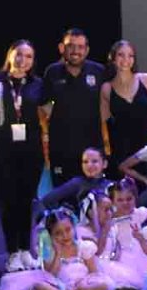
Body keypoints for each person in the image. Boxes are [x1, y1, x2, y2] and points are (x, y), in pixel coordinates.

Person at [0, 39, 46, 272]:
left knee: (26, 202)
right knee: (9, 202)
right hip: (3, 149)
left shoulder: (38, 84)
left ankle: (25, 250)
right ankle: (12, 253)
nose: (23, 60)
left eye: (29, 56)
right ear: (10, 54)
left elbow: (46, 112)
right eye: (19, 54)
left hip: (31, 150)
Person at [0, 208, 114, 290]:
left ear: (74, 228)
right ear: (50, 235)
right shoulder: (50, 252)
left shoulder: (83, 247)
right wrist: (57, 253)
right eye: (58, 233)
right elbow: (50, 276)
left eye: (68, 230)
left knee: (105, 285)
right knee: (39, 286)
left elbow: (94, 273)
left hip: (82, 286)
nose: (65, 236)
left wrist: (83, 282)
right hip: (59, 286)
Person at [40, 28, 106, 186]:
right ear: (61, 48)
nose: (76, 51)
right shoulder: (52, 72)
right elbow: (43, 106)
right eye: (71, 46)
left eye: (80, 47)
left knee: (93, 195)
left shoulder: (99, 71)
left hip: (92, 150)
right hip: (61, 149)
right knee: (62, 195)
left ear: (87, 50)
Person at [98, 40, 147, 179]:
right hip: (122, 152)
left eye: (130, 55)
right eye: (121, 55)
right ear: (113, 58)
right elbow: (104, 126)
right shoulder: (106, 88)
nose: (126, 59)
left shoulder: (146, 80)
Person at [93, 178, 147, 290]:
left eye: (129, 199)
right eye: (120, 200)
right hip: (118, 255)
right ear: (113, 201)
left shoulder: (140, 214)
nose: (125, 203)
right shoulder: (110, 219)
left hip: (138, 252)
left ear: (135, 198)